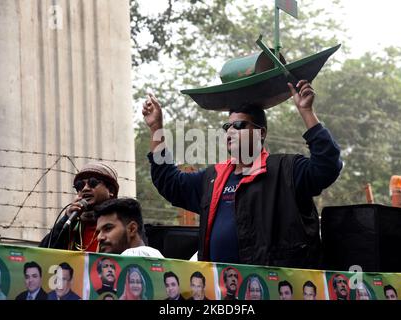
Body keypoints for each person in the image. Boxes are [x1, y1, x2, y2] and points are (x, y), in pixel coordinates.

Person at [142, 80, 342, 268]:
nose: (230, 132)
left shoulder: (286, 170)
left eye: (239, 126)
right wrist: (156, 128)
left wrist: (306, 111)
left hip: (273, 290)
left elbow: (327, 166)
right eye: (227, 127)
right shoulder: (212, 178)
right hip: (219, 293)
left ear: (261, 133)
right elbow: (169, 182)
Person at [40, 162, 119, 252]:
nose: (85, 188)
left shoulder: (121, 223)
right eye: (79, 185)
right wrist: (66, 219)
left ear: (111, 190)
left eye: (93, 183)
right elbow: (42, 255)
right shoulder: (73, 224)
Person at [94, 197, 164, 257]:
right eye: (98, 232)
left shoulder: (137, 256)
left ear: (132, 229)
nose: (99, 237)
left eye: (108, 228)